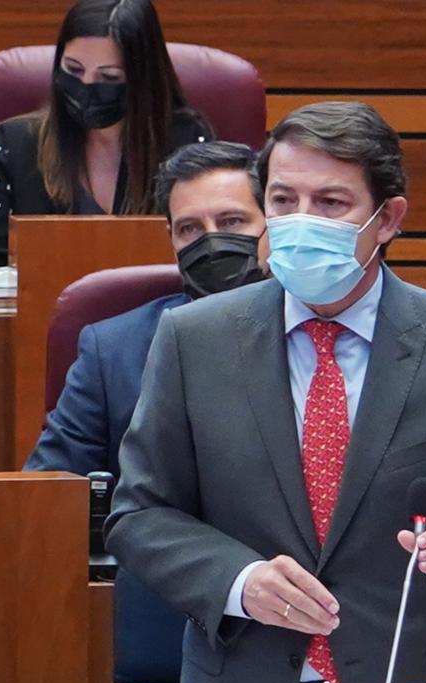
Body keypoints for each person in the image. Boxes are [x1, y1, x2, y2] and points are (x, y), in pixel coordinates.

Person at [105, 101, 426, 683]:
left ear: (388, 219)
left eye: (331, 202)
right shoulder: (194, 341)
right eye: (284, 199)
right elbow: (140, 513)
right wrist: (239, 580)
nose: (301, 222)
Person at [25, 140, 267, 477]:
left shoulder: (318, 333)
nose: (211, 243)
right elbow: (48, 491)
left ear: (273, 223)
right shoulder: (112, 351)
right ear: (171, 238)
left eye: (231, 222)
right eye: (190, 228)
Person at [0, 0, 214, 283]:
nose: (87, 86)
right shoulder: (16, 144)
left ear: (142, 80)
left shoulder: (185, 142)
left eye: (109, 77)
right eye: (73, 69)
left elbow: (206, 257)